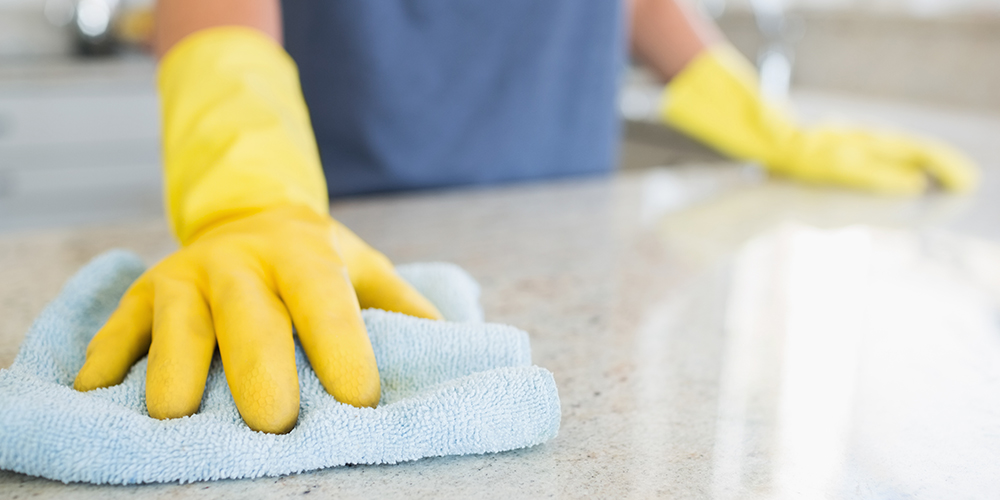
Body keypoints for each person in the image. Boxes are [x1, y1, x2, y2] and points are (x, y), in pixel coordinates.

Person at [73, 0, 978, 434]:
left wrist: (766, 127)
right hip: (352, 255)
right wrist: (252, 196)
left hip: (574, 239)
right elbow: (210, 14)